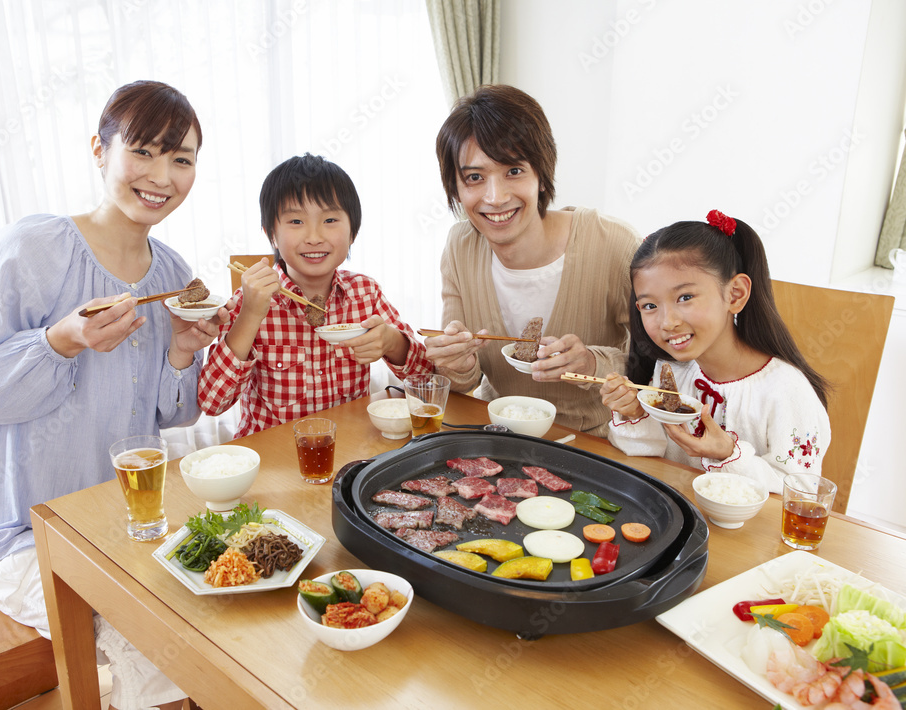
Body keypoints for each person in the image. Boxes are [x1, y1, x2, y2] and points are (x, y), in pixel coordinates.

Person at [0, 80, 214, 710]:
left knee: (219, 613)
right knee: (161, 645)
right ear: (100, 150)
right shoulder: (33, 248)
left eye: (182, 158)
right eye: (143, 151)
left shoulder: (172, 274)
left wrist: (179, 352)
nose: (162, 176)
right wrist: (58, 342)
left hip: (126, 525)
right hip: (23, 536)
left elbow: (175, 412)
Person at [423, 84, 641, 435]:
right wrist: (457, 364)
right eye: (475, 178)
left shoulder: (612, 244)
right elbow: (465, 382)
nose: (495, 198)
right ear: (456, 187)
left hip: (598, 443)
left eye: (513, 171)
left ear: (541, 174)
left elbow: (666, 371)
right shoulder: (460, 247)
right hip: (499, 438)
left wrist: (591, 363)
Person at [198, 153, 433, 434]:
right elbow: (212, 403)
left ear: (353, 233)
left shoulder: (365, 293)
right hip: (274, 464)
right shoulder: (251, 299)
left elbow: (428, 380)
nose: (313, 236)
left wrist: (393, 343)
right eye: (296, 222)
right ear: (271, 234)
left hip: (350, 454)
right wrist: (250, 314)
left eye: (330, 219)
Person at [601, 210, 831, 494]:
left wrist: (728, 453)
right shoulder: (669, 371)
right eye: (650, 306)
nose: (667, 322)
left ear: (735, 294)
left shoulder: (786, 391)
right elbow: (652, 457)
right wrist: (635, 411)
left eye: (685, 297)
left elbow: (800, 492)